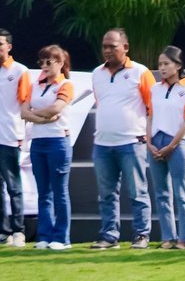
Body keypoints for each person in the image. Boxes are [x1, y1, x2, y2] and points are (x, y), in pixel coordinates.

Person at [86, 29, 154, 250]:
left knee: (137, 191)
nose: (107, 50)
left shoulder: (140, 72)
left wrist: (149, 136)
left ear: (125, 47)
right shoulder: (97, 73)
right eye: (104, 46)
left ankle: (141, 234)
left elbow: (153, 106)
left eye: (112, 46)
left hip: (132, 142)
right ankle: (109, 236)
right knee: (106, 194)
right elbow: (101, 103)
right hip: (103, 143)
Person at [146, 46, 185, 249]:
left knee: (182, 192)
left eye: (166, 64)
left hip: (179, 143)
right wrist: (149, 142)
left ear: (178, 65)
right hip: (156, 141)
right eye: (160, 64)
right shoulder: (155, 89)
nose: (162, 68)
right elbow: (150, 115)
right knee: (161, 193)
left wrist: (172, 144)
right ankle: (167, 237)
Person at [23, 45, 75, 250]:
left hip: (57, 142)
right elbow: (24, 112)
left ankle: (62, 237)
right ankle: (44, 235)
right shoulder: (35, 85)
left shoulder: (66, 84)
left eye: (48, 62)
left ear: (60, 64)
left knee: (59, 191)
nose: (43, 66)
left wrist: (37, 114)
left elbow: (57, 108)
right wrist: (42, 119)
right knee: (43, 192)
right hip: (38, 141)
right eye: (41, 62)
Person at [0, 29, 30, 247]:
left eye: (0, 44)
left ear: (9, 46)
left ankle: (18, 230)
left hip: (10, 135)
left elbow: (25, 105)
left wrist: (22, 134)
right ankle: (4, 231)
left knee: (13, 186)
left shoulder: (20, 71)